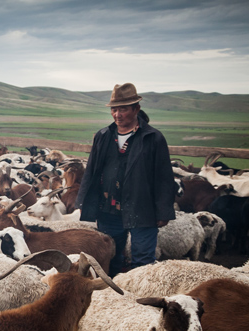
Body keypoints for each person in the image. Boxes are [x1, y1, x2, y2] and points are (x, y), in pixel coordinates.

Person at [75, 83, 177, 276]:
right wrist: (83, 200)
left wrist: (163, 210)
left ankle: (138, 302)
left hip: (142, 209)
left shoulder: (153, 138)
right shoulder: (103, 136)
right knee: (109, 258)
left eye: (123, 109)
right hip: (109, 209)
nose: (117, 115)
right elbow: (92, 171)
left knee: (143, 261)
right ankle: (112, 301)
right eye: (114, 109)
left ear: (136, 109)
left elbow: (164, 177)